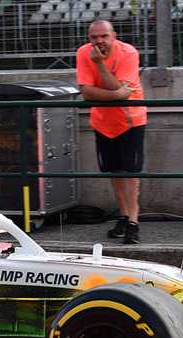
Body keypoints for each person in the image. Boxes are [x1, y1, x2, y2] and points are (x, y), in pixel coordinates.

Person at [76, 19, 147, 244]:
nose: (99, 41)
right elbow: (87, 92)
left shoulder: (128, 52)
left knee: (130, 172)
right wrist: (116, 95)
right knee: (115, 172)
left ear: (113, 35)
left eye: (104, 36)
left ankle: (133, 222)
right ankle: (124, 216)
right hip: (102, 123)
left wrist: (100, 67)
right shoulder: (83, 53)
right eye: (94, 37)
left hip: (131, 120)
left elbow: (119, 90)